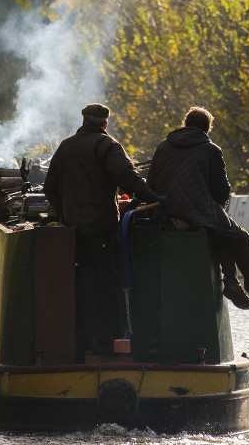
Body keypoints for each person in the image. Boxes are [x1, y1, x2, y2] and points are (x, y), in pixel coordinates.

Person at [147, 106, 249, 310]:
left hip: (164, 213)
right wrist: (213, 204)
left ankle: (233, 281)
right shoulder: (211, 149)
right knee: (239, 237)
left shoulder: (163, 147)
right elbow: (222, 190)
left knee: (220, 228)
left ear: (185, 124)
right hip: (198, 213)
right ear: (207, 129)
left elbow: (151, 184)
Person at [43, 103, 162, 356]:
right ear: (105, 124)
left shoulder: (65, 147)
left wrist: (65, 216)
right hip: (102, 228)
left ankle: (80, 342)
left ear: (84, 120)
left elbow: (50, 188)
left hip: (73, 230)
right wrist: (153, 198)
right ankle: (107, 343)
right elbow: (127, 178)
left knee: (81, 283)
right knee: (107, 284)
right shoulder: (107, 146)